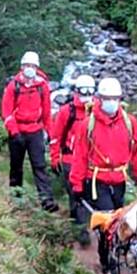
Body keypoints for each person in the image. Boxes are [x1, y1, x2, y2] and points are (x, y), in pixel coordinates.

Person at [69, 77, 137, 274]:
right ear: (99, 98)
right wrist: (77, 185)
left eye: (115, 98)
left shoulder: (129, 123)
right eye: (107, 98)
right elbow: (79, 156)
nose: (111, 102)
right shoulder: (88, 125)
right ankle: (108, 264)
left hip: (119, 180)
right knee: (107, 224)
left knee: (120, 221)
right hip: (97, 181)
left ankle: (118, 254)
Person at [1, 52, 58, 212]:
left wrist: (50, 134)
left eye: (32, 66)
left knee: (39, 165)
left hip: (35, 130)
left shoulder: (42, 87)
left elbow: (47, 113)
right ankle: (15, 196)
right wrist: (14, 131)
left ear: (37, 68)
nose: (30, 69)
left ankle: (46, 200)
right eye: (27, 66)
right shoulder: (14, 85)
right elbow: (6, 111)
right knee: (16, 166)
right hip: (18, 131)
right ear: (22, 67)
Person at [49, 73, 96, 225]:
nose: (87, 95)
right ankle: (79, 229)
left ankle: (91, 226)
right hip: (71, 159)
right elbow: (55, 137)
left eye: (90, 91)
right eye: (84, 91)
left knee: (92, 196)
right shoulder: (66, 112)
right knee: (76, 195)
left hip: (93, 162)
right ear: (77, 91)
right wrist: (55, 158)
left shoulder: (98, 112)